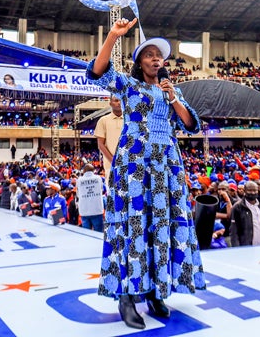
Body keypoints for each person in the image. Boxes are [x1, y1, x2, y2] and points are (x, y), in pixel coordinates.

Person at [86, 17, 205, 330]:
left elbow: (191, 124)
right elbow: (98, 72)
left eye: (159, 55)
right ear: (139, 62)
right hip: (136, 164)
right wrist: (113, 35)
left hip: (167, 165)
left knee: (161, 227)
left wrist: (173, 96)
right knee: (133, 227)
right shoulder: (129, 85)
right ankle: (127, 295)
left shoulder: (171, 90)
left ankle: (155, 290)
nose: (156, 58)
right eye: (149, 54)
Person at [229, 181, 260, 246]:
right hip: (248, 248)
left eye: (255, 190)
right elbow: (234, 231)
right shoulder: (238, 207)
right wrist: (236, 249)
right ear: (245, 191)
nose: (253, 193)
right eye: (250, 190)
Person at [94, 95, 123, 187]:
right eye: (116, 100)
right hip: (111, 165)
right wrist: (114, 161)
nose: (118, 103)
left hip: (129, 162)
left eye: (120, 100)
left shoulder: (130, 119)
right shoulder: (103, 120)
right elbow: (100, 145)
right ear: (110, 103)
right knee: (113, 193)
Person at [75, 164, 104, 232]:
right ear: (93, 170)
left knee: (87, 235)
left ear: (84, 171)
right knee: (99, 234)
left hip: (84, 211)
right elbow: (101, 190)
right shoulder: (98, 178)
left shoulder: (79, 180)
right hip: (97, 210)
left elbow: (78, 194)